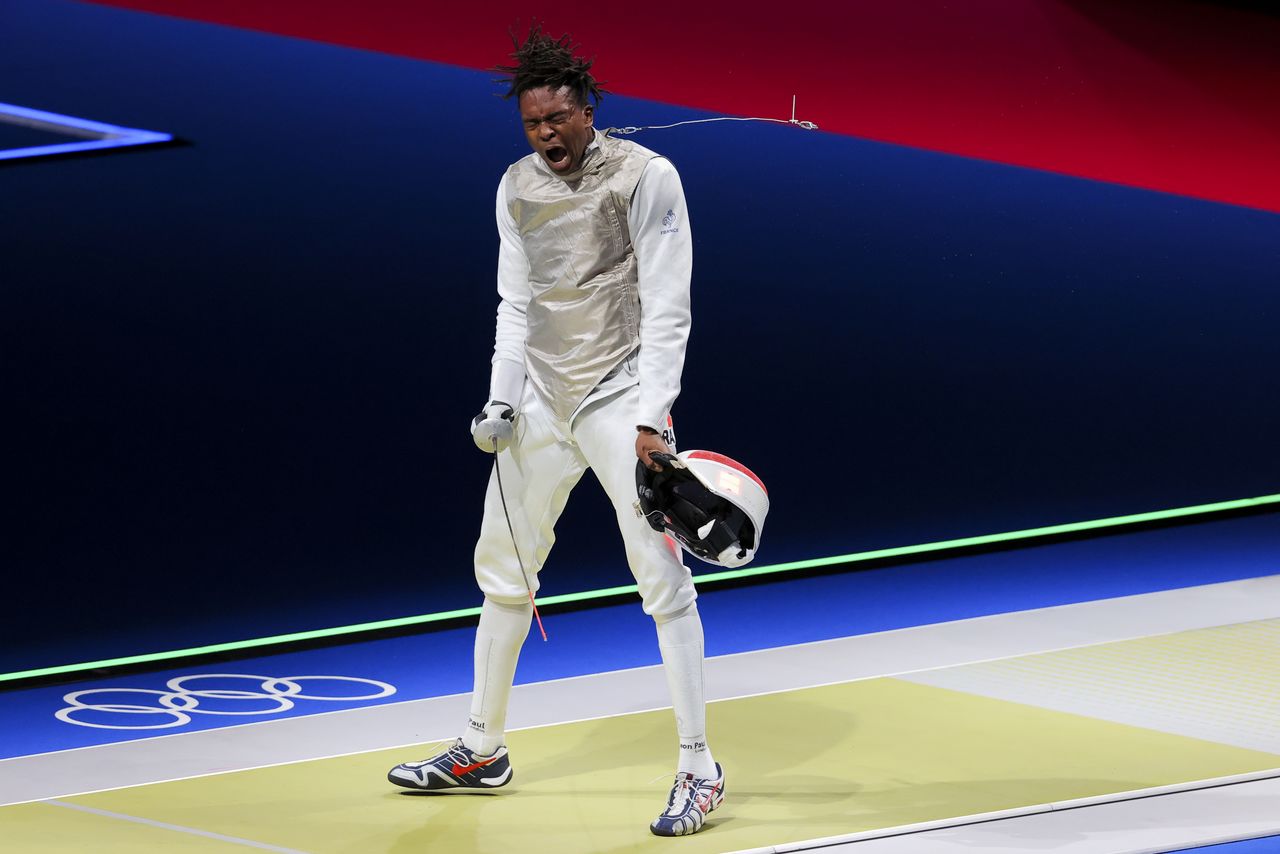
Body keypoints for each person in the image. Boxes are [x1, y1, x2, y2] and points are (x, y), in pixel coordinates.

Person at [386, 25, 724, 837]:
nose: (549, 136)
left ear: (588, 110)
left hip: (620, 398)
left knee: (660, 581)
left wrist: (651, 418)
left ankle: (699, 767)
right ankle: (482, 746)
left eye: (561, 120)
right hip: (540, 397)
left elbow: (670, 305)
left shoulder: (648, 176)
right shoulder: (514, 187)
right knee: (503, 572)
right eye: (535, 124)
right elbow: (516, 303)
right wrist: (500, 402)